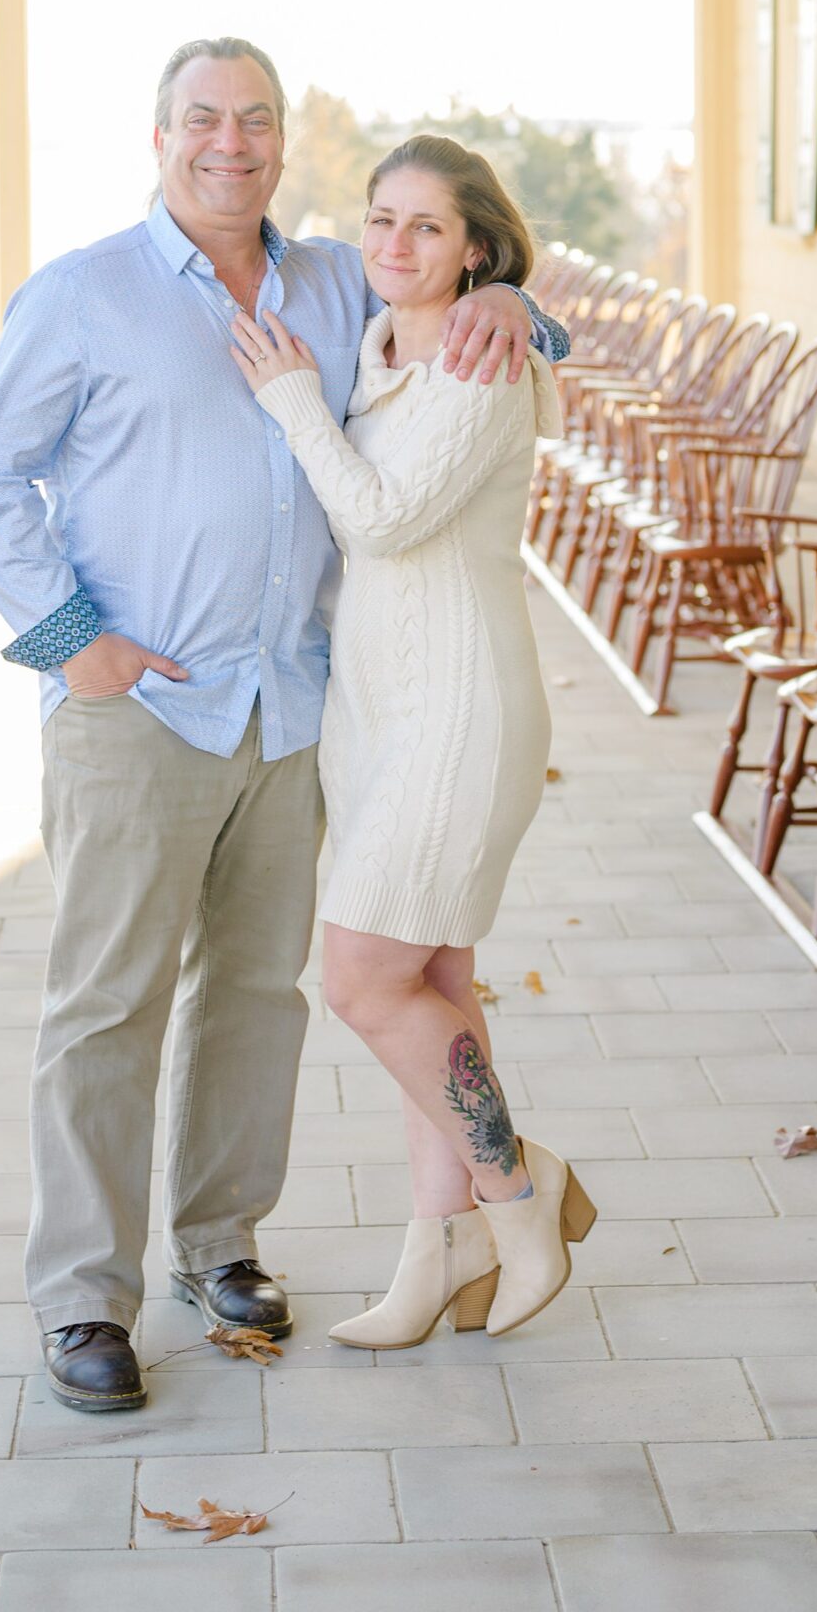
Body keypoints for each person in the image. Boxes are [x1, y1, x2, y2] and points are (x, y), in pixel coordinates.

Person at [0, 38, 567, 1412]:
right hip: (143, 710)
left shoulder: (334, 276)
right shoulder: (80, 297)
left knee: (254, 997)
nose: (228, 142)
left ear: (282, 143)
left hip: (295, 713)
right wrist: (73, 646)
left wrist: (521, 302)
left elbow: (463, 291)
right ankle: (82, 1301)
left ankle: (220, 1248)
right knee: (106, 1005)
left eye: (255, 121)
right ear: (158, 135)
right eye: (201, 120)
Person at [230, 133, 596, 1347]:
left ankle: (514, 1187)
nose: (393, 244)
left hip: (457, 712)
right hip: (376, 713)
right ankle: (436, 1249)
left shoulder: (482, 365)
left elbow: (380, 521)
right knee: (430, 979)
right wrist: (506, 296)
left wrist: (286, 397)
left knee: (360, 977)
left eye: (429, 228)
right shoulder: (384, 340)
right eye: (382, 218)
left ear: (475, 246)